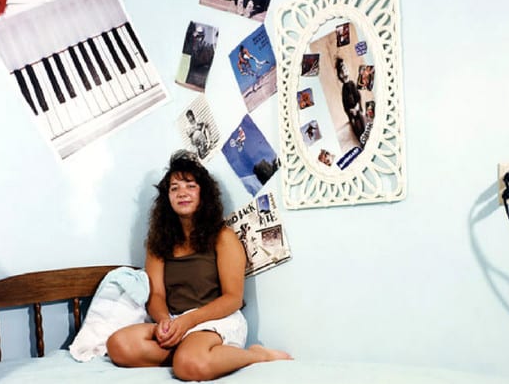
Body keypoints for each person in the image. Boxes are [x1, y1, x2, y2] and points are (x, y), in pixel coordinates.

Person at [106, 151, 291, 381]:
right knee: (118, 345)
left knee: (188, 366)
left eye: (190, 186)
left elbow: (233, 298)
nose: (182, 193)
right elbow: (156, 295)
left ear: (203, 193)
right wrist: (165, 322)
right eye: (174, 188)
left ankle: (256, 355)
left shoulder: (223, 237)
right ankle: (189, 354)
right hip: (176, 320)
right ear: (167, 198)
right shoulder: (158, 242)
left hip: (215, 320)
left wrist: (188, 322)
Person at [335, 57, 366, 146]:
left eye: (345, 68)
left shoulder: (352, 83)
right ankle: (361, 140)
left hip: (357, 108)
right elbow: (345, 104)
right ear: (340, 75)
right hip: (352, 112)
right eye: (343, 69)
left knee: (361, 119)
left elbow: (358, 96)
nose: (345, 69)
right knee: (355, 125)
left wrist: (358, 105)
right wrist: (350, 110)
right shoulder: (344, 89)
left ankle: (365, 136)